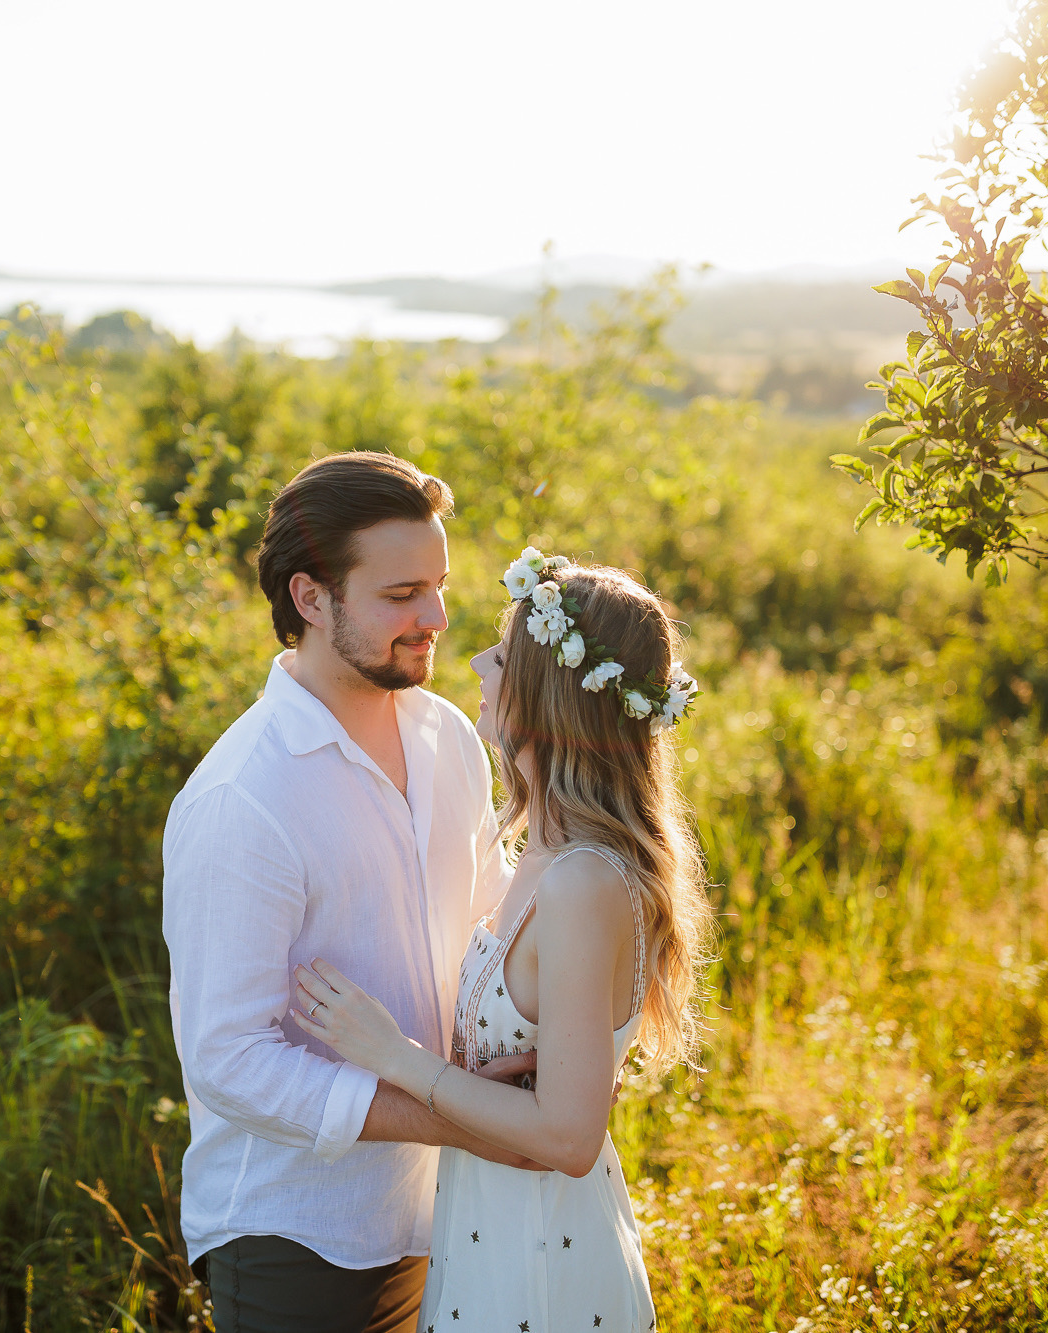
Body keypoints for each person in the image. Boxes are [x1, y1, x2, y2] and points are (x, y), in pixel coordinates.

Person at [291, 548, 713, 1333]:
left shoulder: (584, 881)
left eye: (506, 650)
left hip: (542, 1253)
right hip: (490, 1224)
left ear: (549, 696)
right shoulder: (539, 853)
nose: (480, 658)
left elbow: (568, 1134)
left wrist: (393, 1057)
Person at [163, 452, 536, 1333]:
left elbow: (489, 922)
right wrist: (451, 1115)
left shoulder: (447, 735)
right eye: (402, 593)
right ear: (311, 599)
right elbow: (229, 1058)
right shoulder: (241, 799)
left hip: (447, 1209)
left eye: (439, 585)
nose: (437, 617)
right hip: (300, 1234)